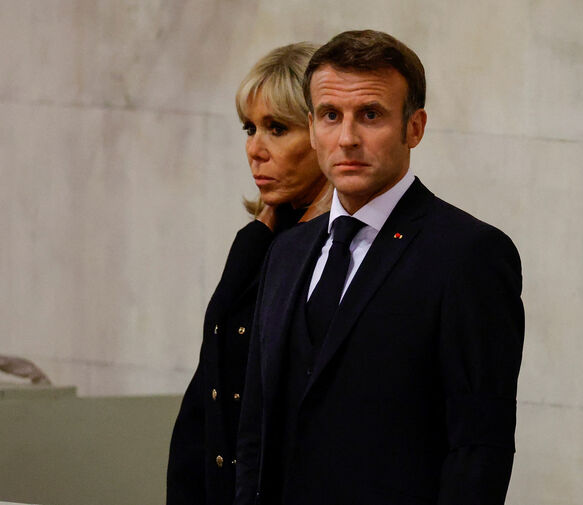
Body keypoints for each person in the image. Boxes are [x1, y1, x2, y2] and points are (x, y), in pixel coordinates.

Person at [235, 30, 524, 504]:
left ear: (415, 127)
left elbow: (478, 448)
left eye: (370, 115)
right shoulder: (285, 252)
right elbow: (255, 434)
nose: (347, 138)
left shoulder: (468, 254)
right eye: (331, 115)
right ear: (312, 127)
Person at [167, 42, 330, 505]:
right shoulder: (261, 237)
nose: (255, 150)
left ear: (322, 133)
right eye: (250, 128)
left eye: (277, 129)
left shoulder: (337, 251)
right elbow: (210, 391)